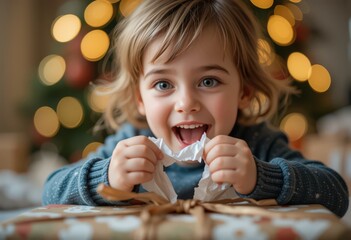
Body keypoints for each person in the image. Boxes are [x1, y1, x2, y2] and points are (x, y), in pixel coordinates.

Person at [42, 0, 349, 217]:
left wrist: (262, 176)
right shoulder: (131, 142)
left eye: (209, 81)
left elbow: (336, 194)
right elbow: (50, 191)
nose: (186, 103)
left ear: (244, 91)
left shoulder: (256, 144)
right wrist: (106, 175)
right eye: (163, 84)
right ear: (140, 98)